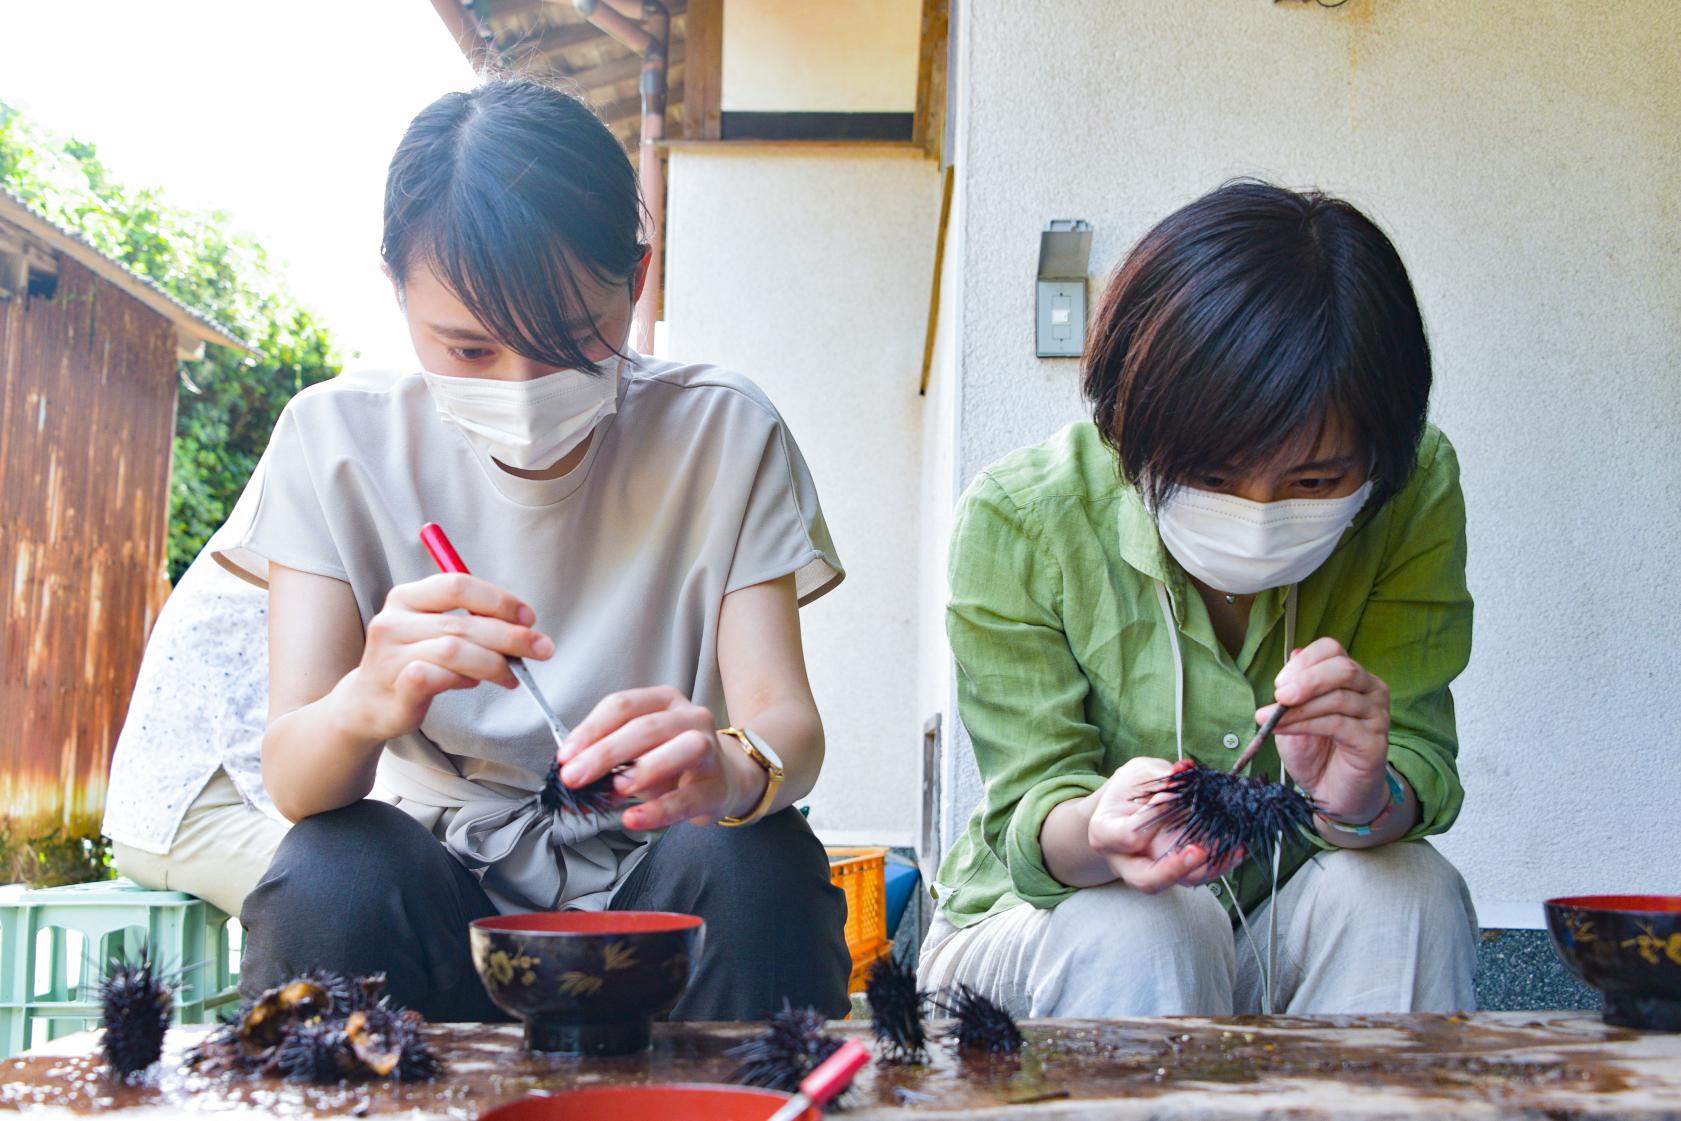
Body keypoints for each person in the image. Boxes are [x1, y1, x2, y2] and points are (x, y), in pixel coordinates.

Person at [215, 75, 850, 1021]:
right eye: (469, 350)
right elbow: (299, 780)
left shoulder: (723, 430)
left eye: (566, 338)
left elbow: (786, 726)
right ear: (396, 290)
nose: (521, 382)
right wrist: (362, 704)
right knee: (332, 871)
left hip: (658, 878)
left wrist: (730, 764)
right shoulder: (332, 441)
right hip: (436, 896)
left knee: (752, 856)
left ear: (636, 285)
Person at [918, 181, 1478, 1017]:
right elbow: (1033, 816)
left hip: (1280, 923)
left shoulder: (1414, 488)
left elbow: (1419, 766)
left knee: (1406, 892)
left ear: (1380, 458)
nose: (1256, 515)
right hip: (1049, 935)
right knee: (1149, 927)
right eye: (1210, 476)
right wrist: (1100, 826)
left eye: (1316, 479)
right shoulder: (1021, 519)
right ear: (1131, 427)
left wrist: (1359, 797)